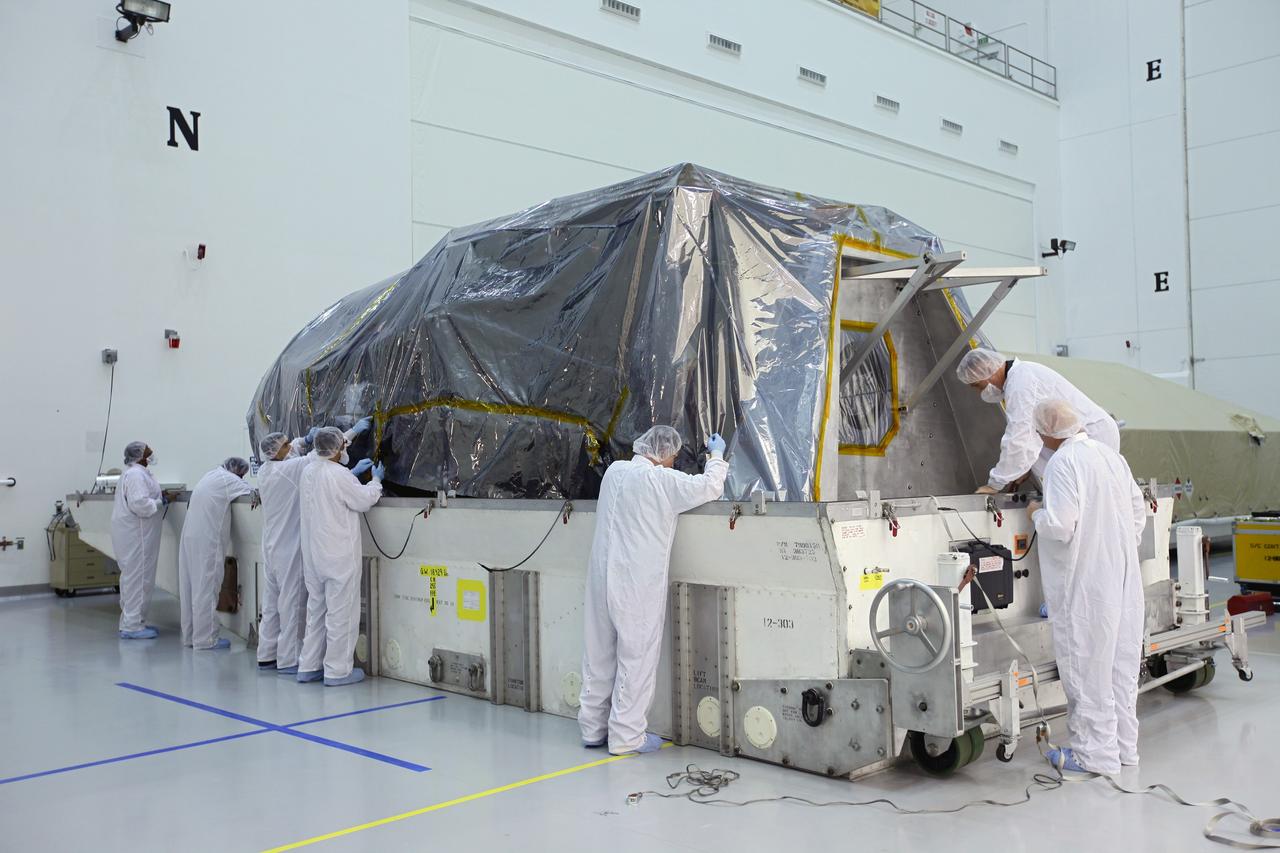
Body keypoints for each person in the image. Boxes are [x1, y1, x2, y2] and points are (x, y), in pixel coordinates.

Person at [578, 426, 729, 755]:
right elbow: (710, 486)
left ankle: (591, 728)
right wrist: (716, 456)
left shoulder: (614, 473)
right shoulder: (662, 481)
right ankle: (626, 737)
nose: (674, 463)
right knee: (637, 658)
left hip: (601, 579)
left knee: (598, 654)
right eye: (673, 457)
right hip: (635, 585)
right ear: (663, 455)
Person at [1027, 399, 1146, 775]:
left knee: (1087, 667)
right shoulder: (1111, 457)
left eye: (1039, 432)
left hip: (1087, 585)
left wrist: (1036, 514)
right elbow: (1138, 513)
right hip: (1122, 577)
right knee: (1119, 667)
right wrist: (1114, 545)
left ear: (1049, 431)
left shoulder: (1063, 462)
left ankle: (1095, 756)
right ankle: (1124, 750)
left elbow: (1061, 526)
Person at [256, 417, 371, 674]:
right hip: (289, 550)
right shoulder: (291, 470)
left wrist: (305, 439)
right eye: (286, 445)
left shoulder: (267, 470)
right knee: (292, 606)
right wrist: (352, 433)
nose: (291, 445)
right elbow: (323, 453)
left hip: (272, 547)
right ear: (277, 453)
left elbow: (306, 452)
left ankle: (267, 654)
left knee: (272, 604)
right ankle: (288, 660)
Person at [955, 348, 1120, 494]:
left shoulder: (1020, 384)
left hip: (1093, 435)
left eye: (978, 385)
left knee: (1088, 496)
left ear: (986, 371)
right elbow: (1034, 435)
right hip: (1081, 439)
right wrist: (1023, 468)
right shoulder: (1021, 376)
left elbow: (1020, 436)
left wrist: (995, 484)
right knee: (1083, 493)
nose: (981, 391)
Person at [296, 426, 383, 686]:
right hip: (337, 557)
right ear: (336, 449)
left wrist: (351, 473)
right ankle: (337, 671)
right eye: (343, 446)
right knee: (341, 614)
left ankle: (308, 666)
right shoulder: (339, 474)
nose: (346, 449)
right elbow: (364, 500)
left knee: (316, 612)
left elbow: (329, 490)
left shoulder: (308, 471)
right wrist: (375, 481)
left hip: (313, 556)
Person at [178, 457, 255, 650]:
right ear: (237, 471)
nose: (242, 478)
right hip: (207, 541)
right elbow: (253, 493)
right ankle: (205, 640)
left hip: (190, 537)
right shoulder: (229, 480)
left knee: (190, 588)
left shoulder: (210, 475)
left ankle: (190, 636)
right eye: (242, 475)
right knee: (206, 588)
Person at [111, 442, 167, 640]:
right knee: (138, 579)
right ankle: (132, 626)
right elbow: (139, 504)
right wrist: (161, 502)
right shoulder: (136, 475)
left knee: (135, 579)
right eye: (147, 449)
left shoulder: (138, 473)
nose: (151, 451)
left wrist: (160, 498)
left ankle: (134, 621)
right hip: (138, 535)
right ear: (140, 455)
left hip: (136, 534)